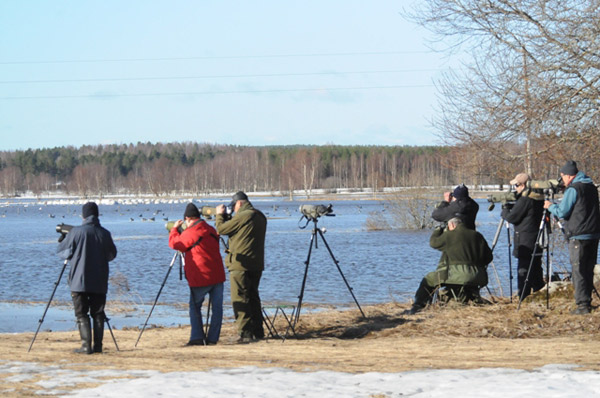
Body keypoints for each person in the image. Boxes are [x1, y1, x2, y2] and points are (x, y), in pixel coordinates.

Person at [57, 202, 117, 354]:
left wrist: (64, 239)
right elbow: (112, 255)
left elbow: (62, 253)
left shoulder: (76, 232)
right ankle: (98, 347)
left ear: (83, 216)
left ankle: (85, 346)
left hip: (79, 281)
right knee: (98, 313)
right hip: (99, 281)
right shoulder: (105, 233)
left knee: (81, 314)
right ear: (97, 215)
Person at [544, 160, 600, 314]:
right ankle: (586, 301)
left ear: (569, 176)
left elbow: (562, 212)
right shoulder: (591, 187)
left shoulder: (574, 189)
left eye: (562, 176)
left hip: (579, 235)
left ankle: (582, 306)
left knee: (578, 270)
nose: (562, 180)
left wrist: (550, 206)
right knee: (588, 269)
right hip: (593, 234)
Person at [407, 217, 493, 314]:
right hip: (478, 276)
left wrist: (438, 229)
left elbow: (433, 243)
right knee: (460, 280)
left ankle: (418, 306)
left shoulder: (450, 235)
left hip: (454, 276)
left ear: (451, 225)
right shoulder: (477, 235)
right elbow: (489, 257)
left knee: (428, 279)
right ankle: (464, 296)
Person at [169, 203, 226, 345]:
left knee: (195, 306)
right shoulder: (211, 229)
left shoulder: (191, 232)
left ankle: (197, 337)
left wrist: (175, 229)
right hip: (217, 275)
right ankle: (213, 338)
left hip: (201, 276)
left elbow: (175, 244)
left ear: (187, 218)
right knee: (217, 308)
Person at [216, 191, 267, 342]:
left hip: (240, 265)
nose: (233, 210)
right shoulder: (260, 216)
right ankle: (258, 332)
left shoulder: (244, 216)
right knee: (253, 298)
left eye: (234, 207)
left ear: (239, 203)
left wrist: (219, 215)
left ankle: (245, 334)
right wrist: (229, 217)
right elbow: (240, 230)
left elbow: (222, 229)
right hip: (256, 264)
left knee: (240, 299)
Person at [501, 173, 545, 300]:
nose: (515, 188)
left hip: (525, 240)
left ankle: (523, 296)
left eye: (516, 185)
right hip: (537, 238)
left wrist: (505, 209)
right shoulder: (538, 198)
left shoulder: (525, 200)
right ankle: (538, 293)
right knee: (536, 267)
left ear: (524, 185)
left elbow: (512, 217)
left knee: (524, 269)